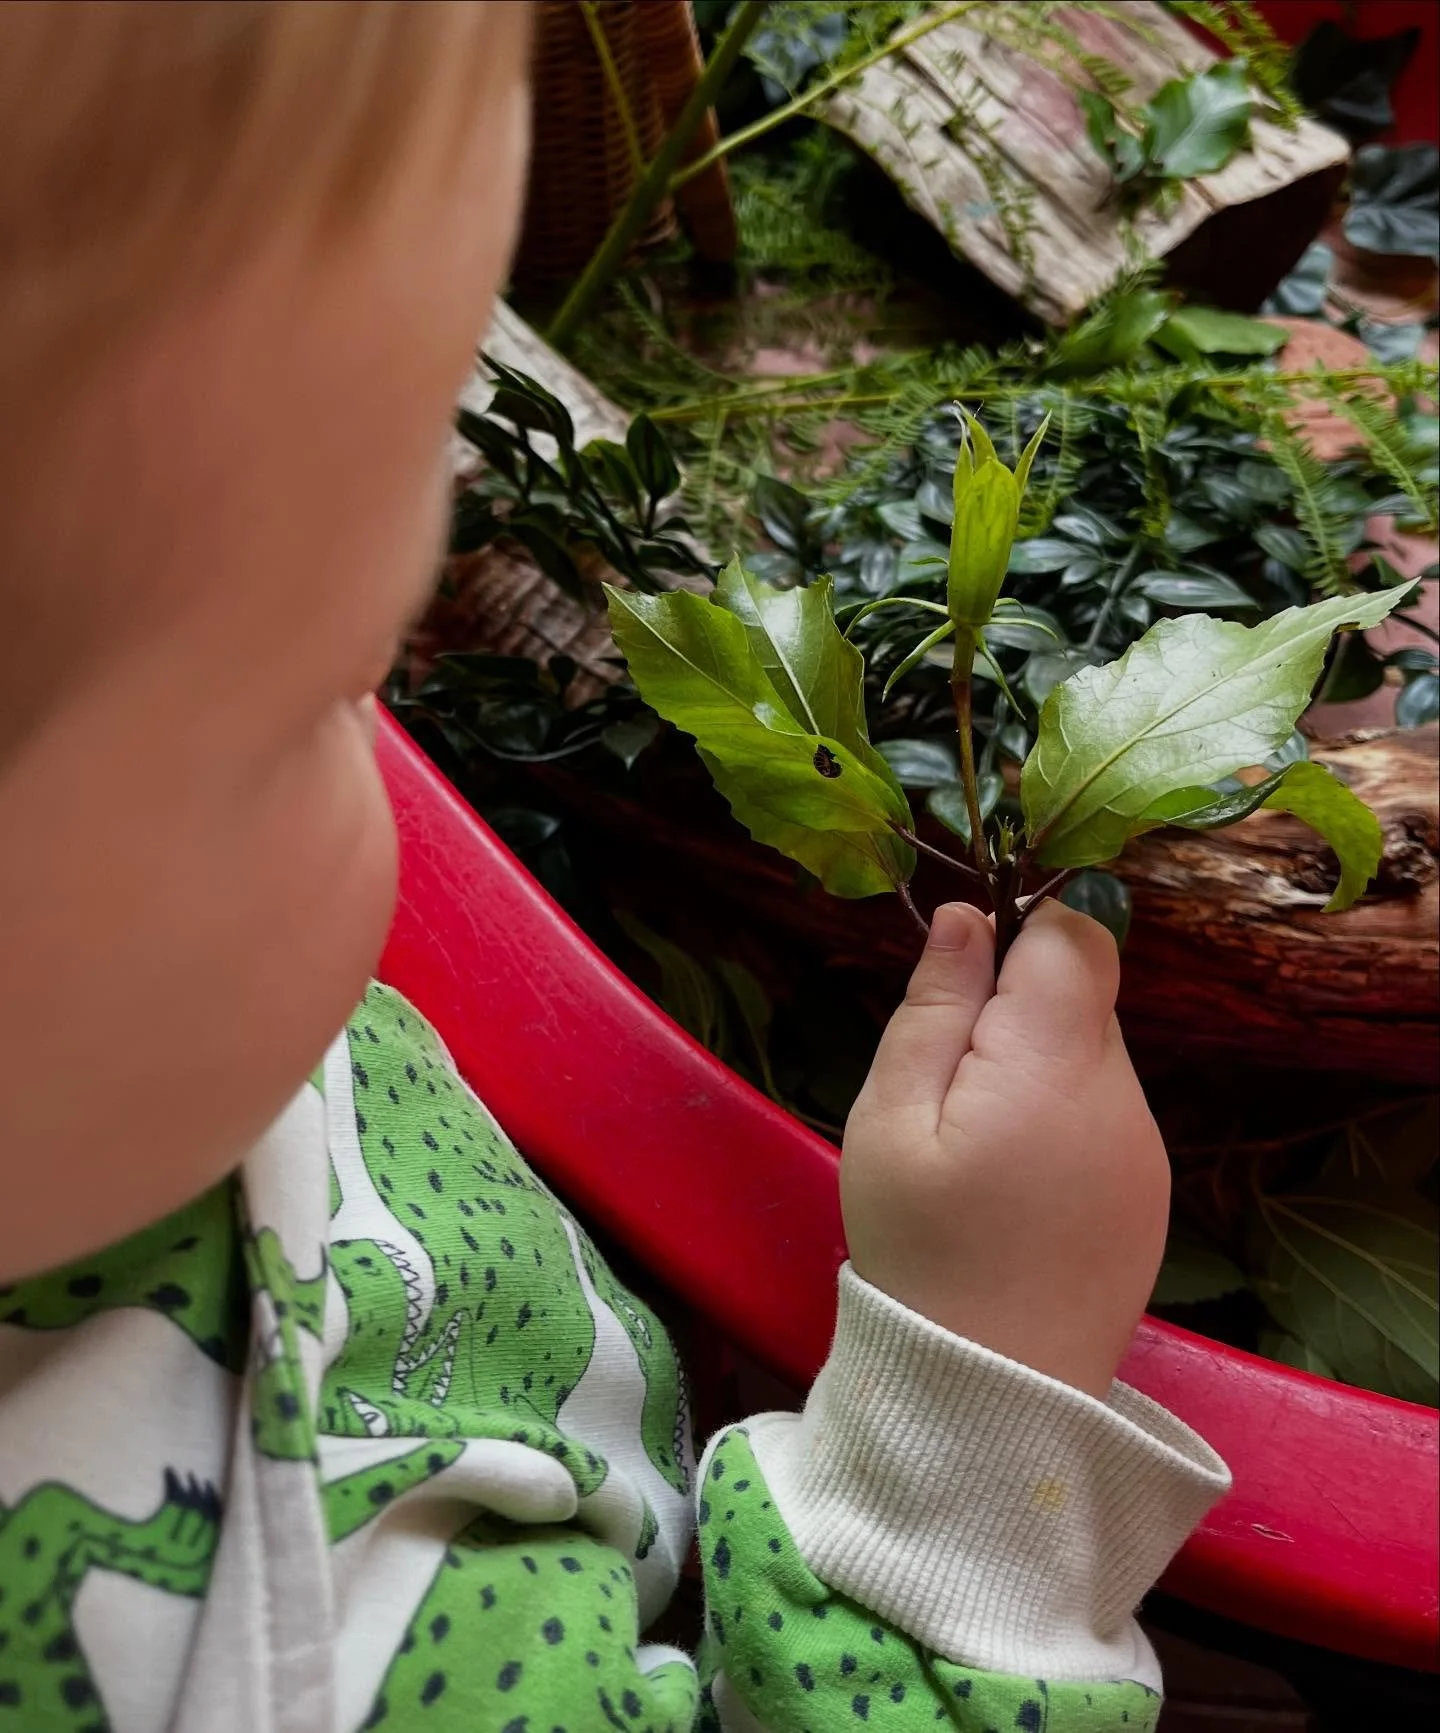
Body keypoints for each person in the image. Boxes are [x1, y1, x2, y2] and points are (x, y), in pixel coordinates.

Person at [0, 5, 1229, 1728]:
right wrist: (980, 1423)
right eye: (310, 696)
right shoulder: (276, 1670)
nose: (379, 714)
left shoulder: (94, 1045)